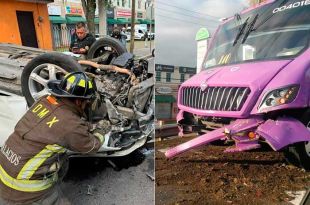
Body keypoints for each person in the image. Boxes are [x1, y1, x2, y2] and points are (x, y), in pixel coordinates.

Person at [0, 72, 108, 205]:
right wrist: (101, 131)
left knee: (62, 157)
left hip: (4, 167)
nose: (87, 105)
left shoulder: (45, 100)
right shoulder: (71, 126)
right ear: (79, 101)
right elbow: (92, 146)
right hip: (23, 190)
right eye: (87, 102)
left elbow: (60, 124)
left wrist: (83, 127)